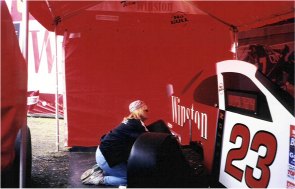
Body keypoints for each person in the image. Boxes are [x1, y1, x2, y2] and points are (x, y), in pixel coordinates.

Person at [81, 100, 149, 186]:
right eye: (145, 110)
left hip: (103, 152)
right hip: (106, 157)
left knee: (131, 172)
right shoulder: (136, 124)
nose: (148, 113)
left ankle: (101, 169)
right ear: (138, 110)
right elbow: (147, 140)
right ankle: (100, 179)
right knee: (129, 179)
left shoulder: (130, 121)